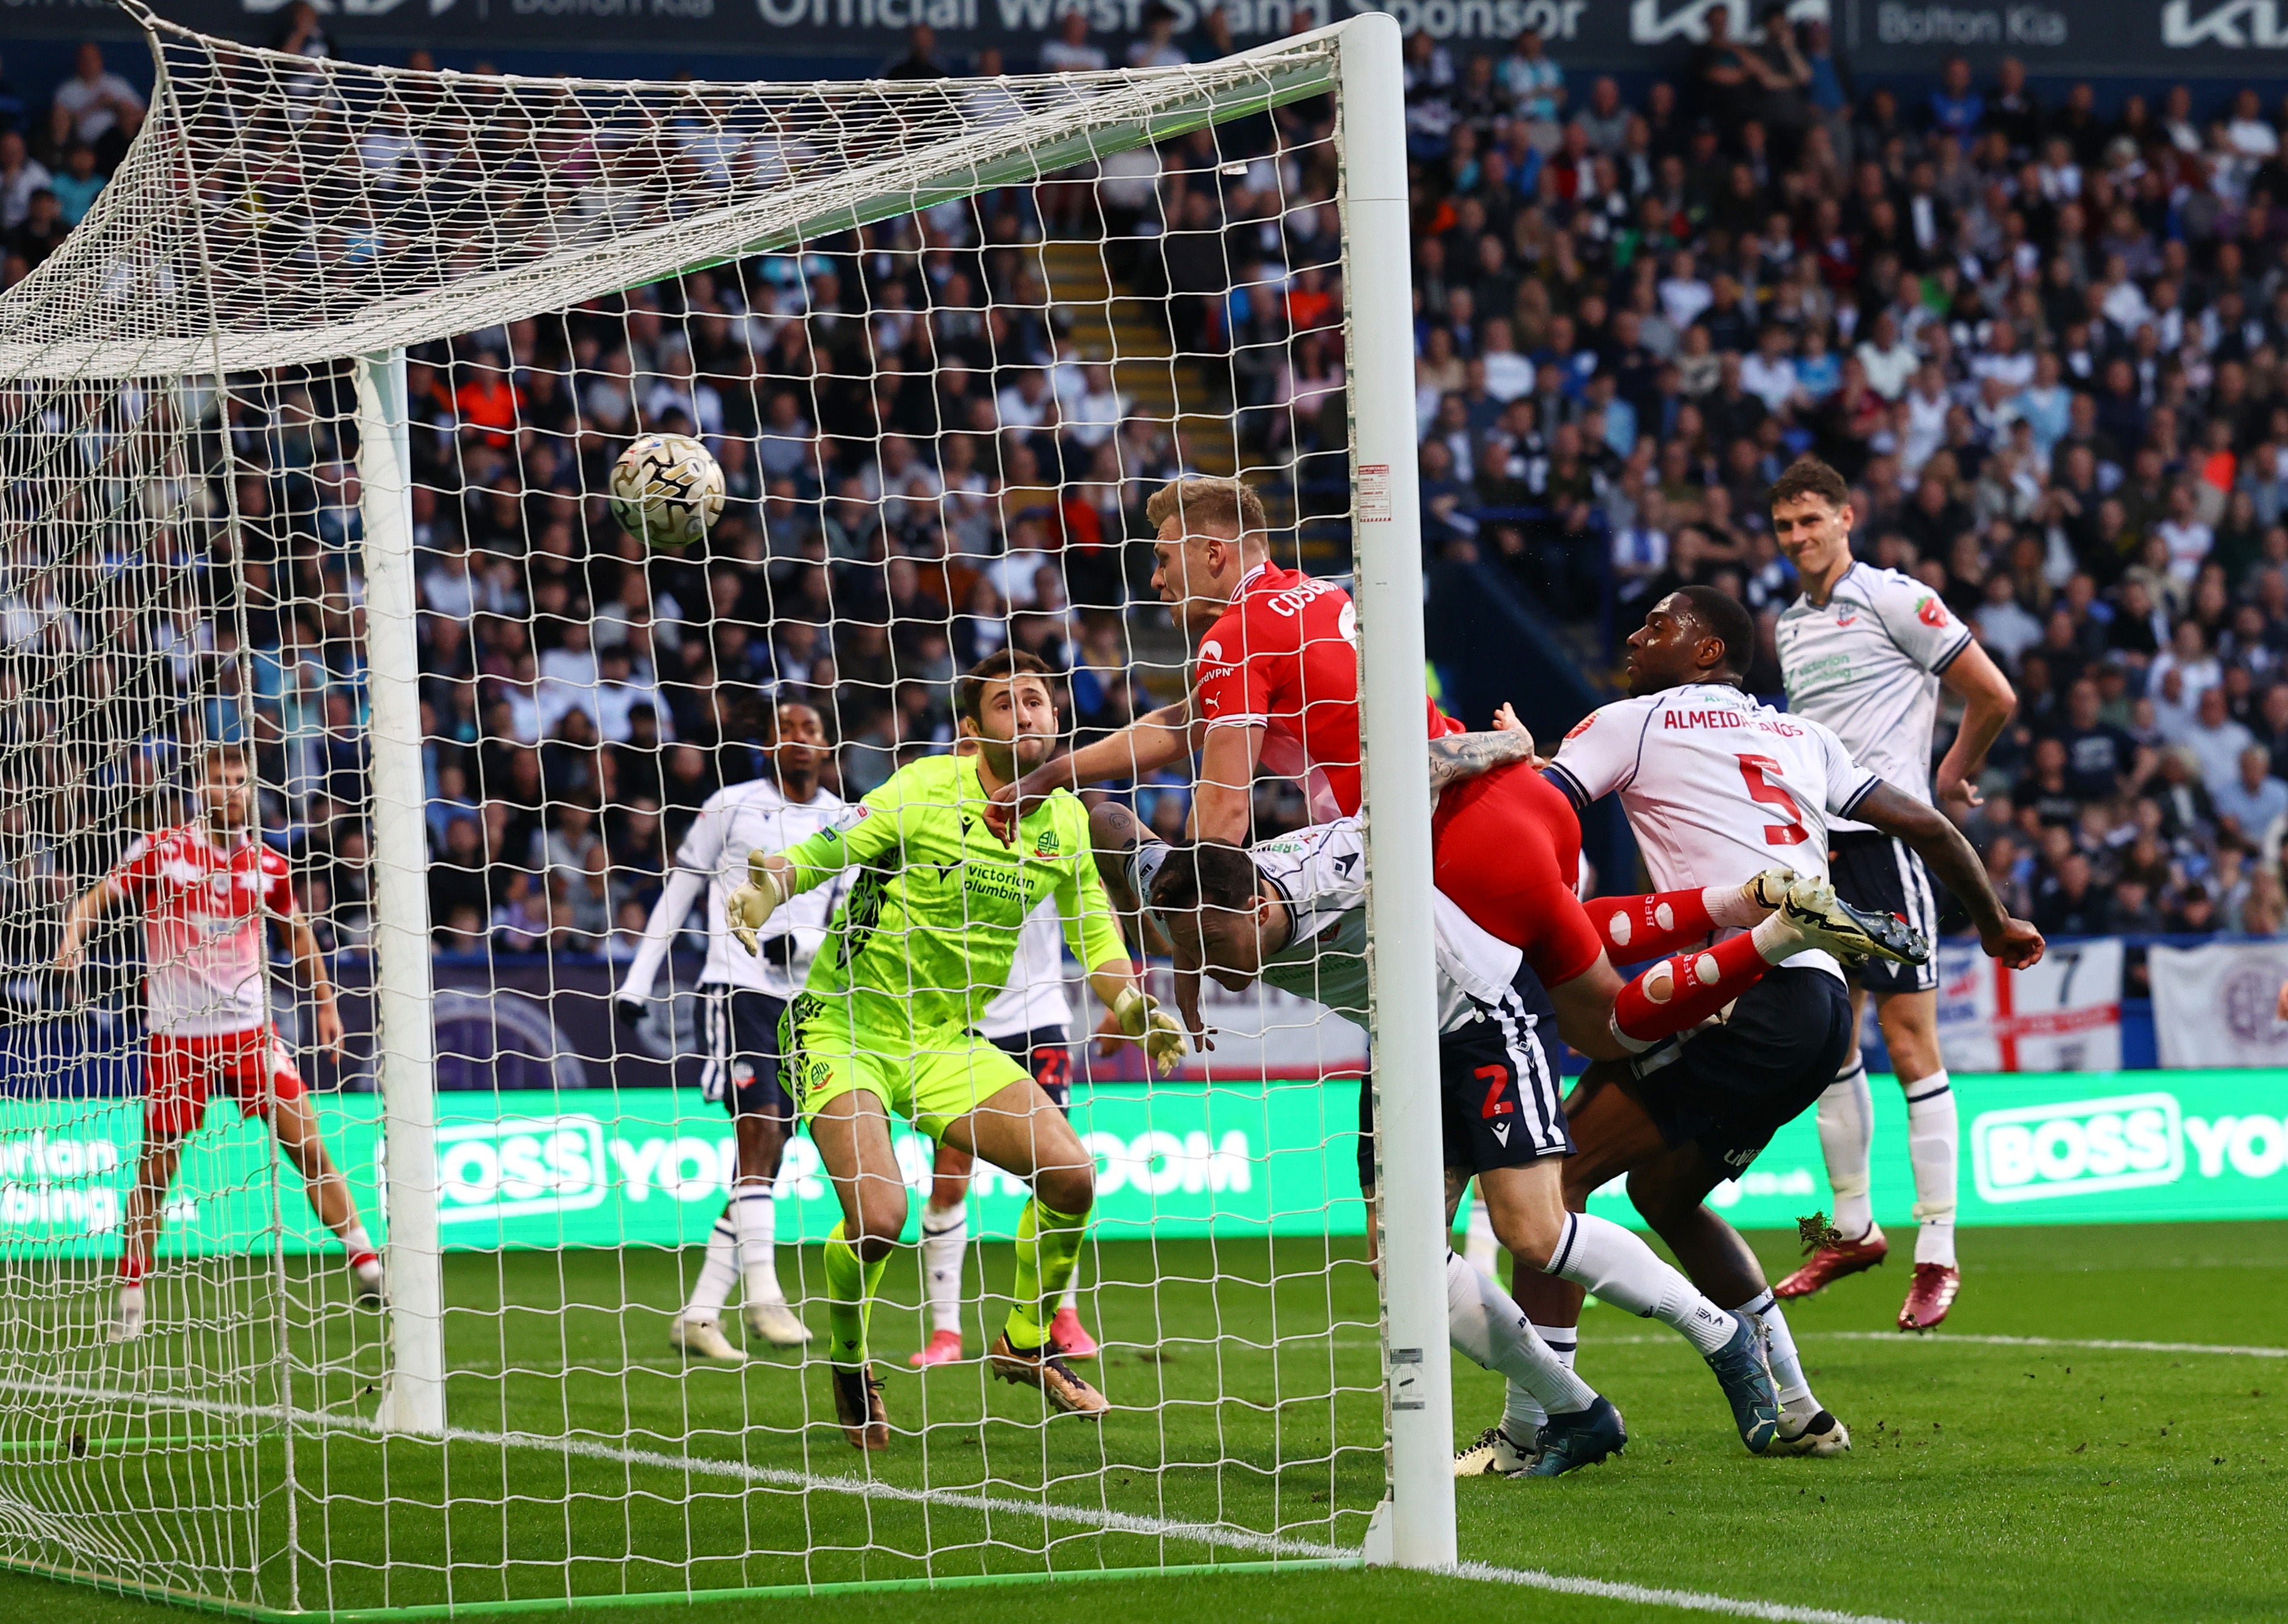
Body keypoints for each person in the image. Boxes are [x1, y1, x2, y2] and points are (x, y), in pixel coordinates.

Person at [1095, 720, 1916, 1472]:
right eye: (1183, 940)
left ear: (1259, 903)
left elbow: (1425, 764)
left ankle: (1720, 1335)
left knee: (1533, 1229)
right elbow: (1108, 827)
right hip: (1396, 1042)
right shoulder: (1192, 898)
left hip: (1483, 1013)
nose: (1203, 954)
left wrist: (1510, 748)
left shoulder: (1347, 866)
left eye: (1214, 940)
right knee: (1397, 1263)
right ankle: (1575, 1411)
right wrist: (1174, 966)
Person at [1523, 586, 2043, 1451]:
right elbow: (1925, 825)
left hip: (1742, 994)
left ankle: (1546, 1416)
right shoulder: (1802, 736)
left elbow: (1537, 810)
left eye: (1659, 625)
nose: (1633, 633)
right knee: (1662, 1191)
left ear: (1707, 651)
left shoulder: (1635, 721)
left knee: (1557, 1182)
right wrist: (1995, 922)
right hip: (1817, 1014)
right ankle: (1797, 1407)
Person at [723, 651, 1186, 1450]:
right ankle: (848, 1359)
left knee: (1071, 1176)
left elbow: (1096, 938)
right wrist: (776, 883)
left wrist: (1133, 1003)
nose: (1030, 715)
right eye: (1008, 705)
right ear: (972, 734)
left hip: (944, 1042)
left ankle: (1025, 1338)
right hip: (845, 1026)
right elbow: (835, 843)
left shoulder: (1065, 821)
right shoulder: (925, 787)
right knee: (880, 1218)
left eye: (1038, 701)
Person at [1767, 456, 2021, 1330]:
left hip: (1889, 844)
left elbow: (1990, 693)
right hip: (1814, 854)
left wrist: (1951, 772)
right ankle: (1849, 1224)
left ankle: (1938, 1251)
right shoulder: (1789, 627)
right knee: (1828, 1036)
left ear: (1846, 517)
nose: (1797, 538)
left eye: (1810, 520)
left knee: (1909, 1041)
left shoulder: (1891, 598)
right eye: (1784, 526)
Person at [52, 745, 382, 1342]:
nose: (230, 790)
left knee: (308, 1147)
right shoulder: (164, 853)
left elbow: (298, 934)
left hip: (250, 1036)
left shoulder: (268, 867)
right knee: (157, 1172)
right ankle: (131, 1293)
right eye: (218, 781)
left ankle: (366, 1262)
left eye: (238, 780)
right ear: (198, 790)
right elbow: (99, 898)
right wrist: (73, 936)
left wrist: (327, 1003)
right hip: (179, 1041)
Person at [615, 699, 843, 1358]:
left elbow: (842, 911)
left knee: (766, 1155)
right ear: (765, 744)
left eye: (810, 731)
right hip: (734, 986)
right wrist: (637, 981)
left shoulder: (839, 818)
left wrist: (802, 950)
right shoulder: (731, 803)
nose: (798, 740)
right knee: (760, 1128)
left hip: (805, 1003)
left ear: (826, 746)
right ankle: (764, 1298)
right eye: (785, 731)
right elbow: (681, 888)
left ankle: (700, 1312)